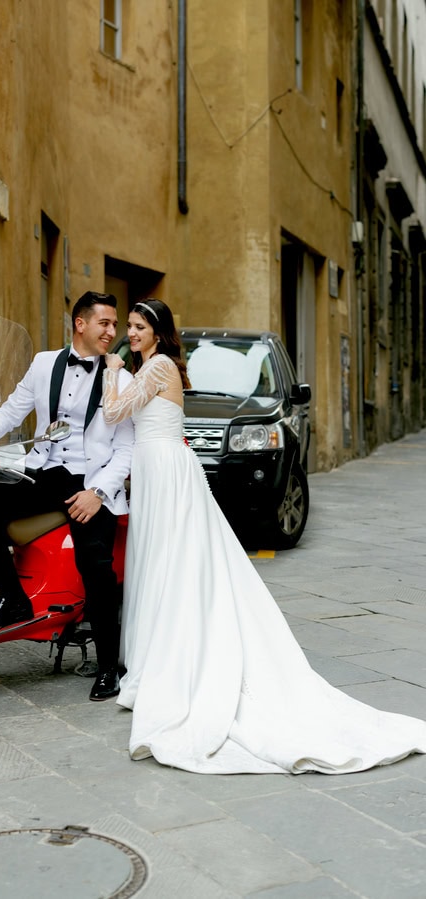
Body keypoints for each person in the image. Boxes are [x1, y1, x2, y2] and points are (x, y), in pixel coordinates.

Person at [102, 298, 426, 773]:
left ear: (156, 331)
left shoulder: (156, 367)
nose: (128, 333)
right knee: (159, 561)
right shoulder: (152, 366)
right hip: (158, 471)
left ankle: (167, 661)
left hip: (167, 472)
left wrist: (112, 369)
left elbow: (113, 413)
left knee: (169, 561)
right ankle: (153, 655)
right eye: (126, 327)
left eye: (136, 326)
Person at [0, 291, 134, 702]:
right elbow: (13, 409)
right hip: (43, 471)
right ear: (80, 324)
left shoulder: (122, 379)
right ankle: (14, 599)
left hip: (90, 482)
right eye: (104, 323)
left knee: (95, 564)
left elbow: (127, 449)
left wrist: (97, 493)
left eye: (114, 324)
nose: (113, 331)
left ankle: (109, 668)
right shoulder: (43, 363)